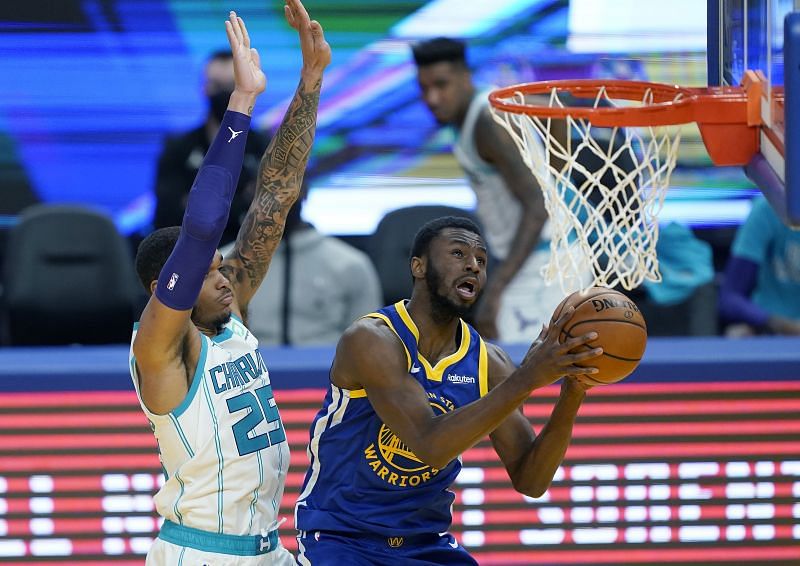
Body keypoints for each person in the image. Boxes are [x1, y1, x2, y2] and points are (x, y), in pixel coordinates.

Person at [130, 3, 330, 564]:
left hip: (269, 548)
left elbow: (275, 194)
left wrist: (309, 83)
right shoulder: (160, 347)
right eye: (207, 272)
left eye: (222, 268)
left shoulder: (228, 309)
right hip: (203, 553)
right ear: (162, 288)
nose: (225, 277)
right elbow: (199, 232)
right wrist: (241, 102)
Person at [294, 216, 602, 565]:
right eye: (458, 253)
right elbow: (429, 446)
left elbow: (531, 480)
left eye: (481, 261)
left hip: (426, 544)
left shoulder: (489, 362)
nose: (472, 264)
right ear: (419, 266)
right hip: (342, 540)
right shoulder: (372, 339)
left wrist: (574, 391)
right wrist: (527, 378)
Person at [412, 37, 583, 344]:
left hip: (539, 268)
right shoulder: (486, 106)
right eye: (424, 89)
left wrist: (496, 289)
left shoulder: (486, 122)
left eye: (441, 84)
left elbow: (536, 206)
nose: (433, 98)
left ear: (465, 77)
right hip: (546, 259)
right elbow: (559, 110)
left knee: (522, 377)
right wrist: (555, 177)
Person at [220, 180, 382, 345]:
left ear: (304, 190)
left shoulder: (351, 265)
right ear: (248, 192)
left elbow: (367, 344)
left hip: (327, 368)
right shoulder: (223, 266)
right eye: (265, 184)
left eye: (286, 183)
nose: (277, 196)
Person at [153, 49, 270, 246]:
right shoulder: (178, 149)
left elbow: (271, 213)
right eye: (217, 86)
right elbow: (167, 213)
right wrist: (242, 202)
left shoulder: (264, 148)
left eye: (231, 87)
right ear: (204, 88)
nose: (224, 95)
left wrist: (200, 205)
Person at [719, 195, 800, 335]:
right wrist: (775, 324)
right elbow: (729, 298)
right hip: (771, 333)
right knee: (738, 334)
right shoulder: (768, 209)